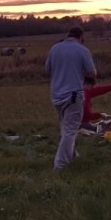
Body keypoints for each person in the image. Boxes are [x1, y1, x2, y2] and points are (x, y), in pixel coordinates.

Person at [46, 27, 96, 170]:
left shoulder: (54, 49)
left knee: (65, 126)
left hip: (56, 95)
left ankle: (73, 156)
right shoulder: (82, 50)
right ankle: (60, 165)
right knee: (70, 130)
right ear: (81, 36)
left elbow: (47, 70)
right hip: (73, 95)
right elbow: (92, 73)